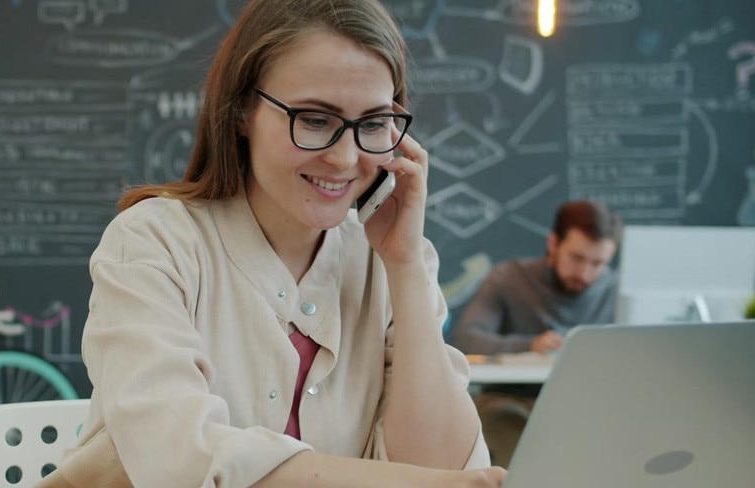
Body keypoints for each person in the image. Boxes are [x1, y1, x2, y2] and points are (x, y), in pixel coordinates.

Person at [39, 1, 504, 486]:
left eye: (371, 124)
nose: (346, 159)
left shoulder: (390, 261)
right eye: (315, 120)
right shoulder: (154, 243)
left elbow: (442, 468)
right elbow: (182, 463)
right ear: (242, 111)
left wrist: (405, 266)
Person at [450, 199, 623, 467]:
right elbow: (465, 339)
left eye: (598, 263)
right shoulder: (508, 278)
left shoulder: (617, 290)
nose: (586, 274)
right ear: (553, 244)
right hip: (511, 401)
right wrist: (531, 344)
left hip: (586, 403)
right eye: (577, 258)